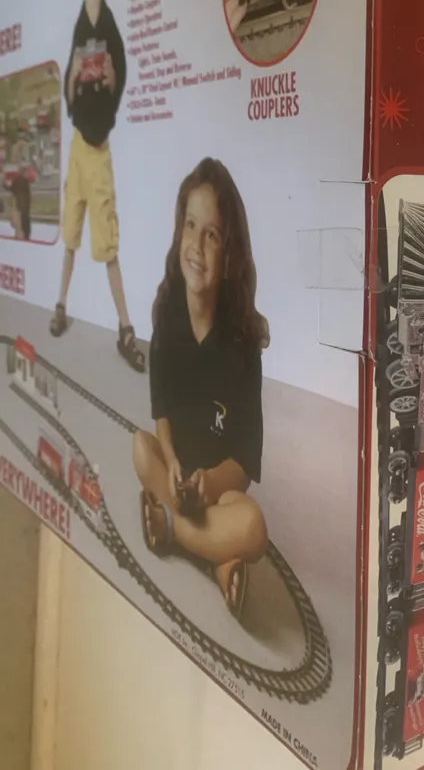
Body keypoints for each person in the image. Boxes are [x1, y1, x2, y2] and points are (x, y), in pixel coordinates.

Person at [132, 157, 270, 619]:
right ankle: (220, 559)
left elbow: (245, 463)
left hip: (216, 492)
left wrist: (210, 483)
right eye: (190, 226)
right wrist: (171, 460)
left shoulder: (242, 346)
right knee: (141, 449)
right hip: (176, 477)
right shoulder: (167, 317)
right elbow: (162, 411)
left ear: (229, 255)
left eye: (212, 235)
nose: (196, 245)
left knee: (251, 527)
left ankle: (173, 530)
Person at [49, 0, 144, 372]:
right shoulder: (78, 24)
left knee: (108, 245)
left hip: (98, 151)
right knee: (70, 234)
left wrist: (109, 78)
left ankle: (125, 328)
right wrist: (71, 80)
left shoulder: (110, 29)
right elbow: (69, 89)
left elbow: (117, 82)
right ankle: (60, 305)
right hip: (76, 153)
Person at [9, 173, 31, 240]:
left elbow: (12, 189)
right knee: (23, 222)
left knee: (20, 224)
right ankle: (24, 235)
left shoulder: (18, 182)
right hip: (23, 206)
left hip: (19, 206)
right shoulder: (24, 182)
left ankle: (22, 236)